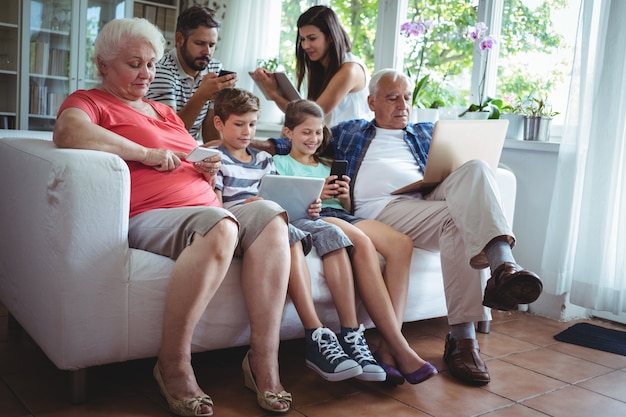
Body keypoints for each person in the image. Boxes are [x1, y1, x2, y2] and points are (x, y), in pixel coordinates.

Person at [52, 18, 292, 415]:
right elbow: (68, 132)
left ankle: (263, 360)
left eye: (150, 63)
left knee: (271, 215)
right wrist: (144, 154)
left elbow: (187, 153)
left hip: (208, 208)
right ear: (103, 65)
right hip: (153, 214)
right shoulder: (90, 101)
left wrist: (205, 168)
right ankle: (173, 364)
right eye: (134, 64)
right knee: (221, 227)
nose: (145, 74)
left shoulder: (164, 111)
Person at [259, 69, 544, 386]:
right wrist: (248, 143)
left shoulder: (426, 132)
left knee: (475, 170)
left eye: (406, 97)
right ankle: (465, 336)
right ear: (371, 102)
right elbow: (300, 138)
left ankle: (501, 266)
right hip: (383, 209)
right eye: (392, 98)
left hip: (424, 199)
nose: (402, 105)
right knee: (459, 222)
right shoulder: (349, 131)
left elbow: (454, 176)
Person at [211, 87, 387, 383]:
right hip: (251, 221)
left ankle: (350, 333)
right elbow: (216, 207)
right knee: (287, 232)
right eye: (239, 124)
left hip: (284, 215)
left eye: (251, 124)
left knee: (332, 233)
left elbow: (281, 197)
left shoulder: (263, 161)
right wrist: (251, 206)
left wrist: (311, 205)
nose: (247, 131)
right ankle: (316, 334)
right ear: (220, 124)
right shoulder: (216, 158)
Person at [273, 99, 438, 385]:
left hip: (342, 214)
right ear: (288, 133)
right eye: (306, 132)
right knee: (361, 242)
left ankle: (388, 348)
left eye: (318, 132)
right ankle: (398, 346)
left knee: (401, 243)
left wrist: (344, 193)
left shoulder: (327, 164)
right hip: (318, 216)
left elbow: (346, 207)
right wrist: (318, 194)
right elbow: (288, 205)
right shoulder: (280, 163)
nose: (313, 139)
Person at [250, 5, 372, 127]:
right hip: (329, 140)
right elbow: (302, 114)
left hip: (351, 142)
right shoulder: (318, 67)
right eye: (302, 39)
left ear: (330, 37)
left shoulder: (349, 70)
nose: (305, 46)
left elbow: (311, 117)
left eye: (312, 38)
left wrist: (274, 95)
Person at [145, 5, 236, 143]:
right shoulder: (161, 70)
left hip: (192, 148)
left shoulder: (214, 67)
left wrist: (218, 102)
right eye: (200, 43)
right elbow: (169, 135)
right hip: (164, 150)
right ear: (179, 39)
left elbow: (210, 136)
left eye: (212, 45)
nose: (207, 52)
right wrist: (202, 96)